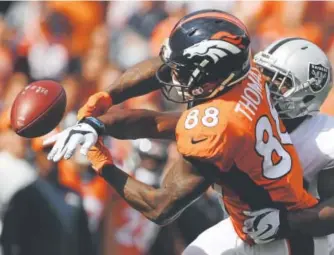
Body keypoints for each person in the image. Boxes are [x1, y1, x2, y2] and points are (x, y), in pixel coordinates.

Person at [45, 10, 334, 254]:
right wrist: (100, 113)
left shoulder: (224, 125)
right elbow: (161, 103)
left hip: (288, 239)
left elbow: (159, 207)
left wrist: (101, 161)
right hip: (247, 222)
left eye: (279, 82)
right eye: (267, 74)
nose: (269, 83)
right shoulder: (245, 78)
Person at [1, 130, 93, 255]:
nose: (51, 155)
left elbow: (85, 243)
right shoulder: (25, 195)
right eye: (46, 151)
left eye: (57, 149)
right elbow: (10, 239)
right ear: (36, 154)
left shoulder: (73, 196)